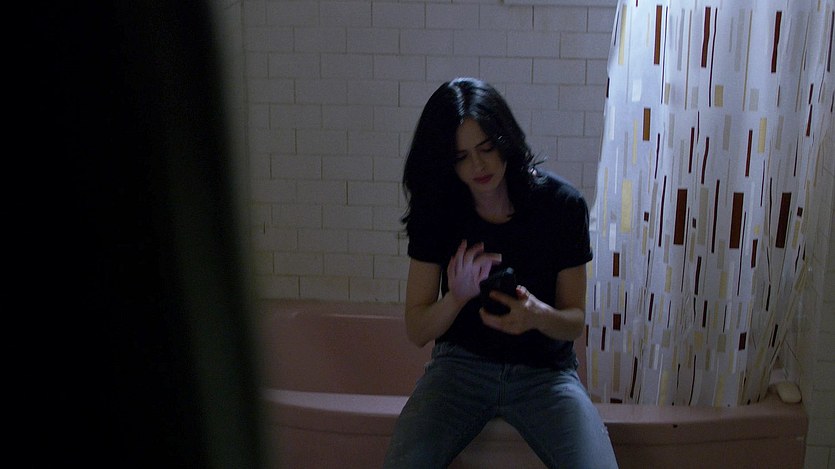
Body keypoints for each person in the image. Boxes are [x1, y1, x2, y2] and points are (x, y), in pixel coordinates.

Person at [383, 78, 618, 468]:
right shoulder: (437, 210)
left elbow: (574, 322)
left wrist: (537, 316)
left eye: (487, 148)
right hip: (459, 370)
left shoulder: (561, 206)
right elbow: (418, 329)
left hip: (545, 375)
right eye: (461, 157)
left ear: (504, 137)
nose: (478, 166)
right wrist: (456, 297)